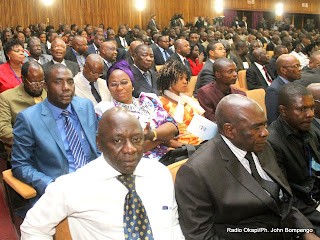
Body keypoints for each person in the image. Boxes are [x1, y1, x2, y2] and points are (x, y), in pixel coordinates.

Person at [20, 107, 185, 239]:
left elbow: (172, 226)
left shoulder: (160, 175)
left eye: (136, 139)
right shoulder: (74, 185)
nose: (130, 149)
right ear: (99, 143)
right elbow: (33, 228)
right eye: (117, 141)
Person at [175, 94, 318, 240]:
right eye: (256, 127)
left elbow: (282, 199)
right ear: (229, 130)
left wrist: (306, 231)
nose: (265, 132)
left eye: (265, 124)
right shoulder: (196, 172)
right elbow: (201, 236)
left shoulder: (262, 145)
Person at [11, 64, 99, 210]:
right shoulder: (28, 119)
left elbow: (98, 145)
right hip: (60, 189)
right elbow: (20, 165)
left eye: (70, 82)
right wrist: (49, 185)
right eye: (58, 82)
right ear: (45, 86)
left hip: (94, 181)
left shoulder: (86, 106)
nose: (66, 87)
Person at [95, 60, 178, 160]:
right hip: (137, 164)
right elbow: (131, 148)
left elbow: (173, 128)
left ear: (132, 84)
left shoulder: (149, 99)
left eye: (124, 82)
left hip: (169, 156)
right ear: (108, 88)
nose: (119, 88)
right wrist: (162, 138)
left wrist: (152, 134)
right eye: (113, 84)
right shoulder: (107, 110)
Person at [267, 83, 320, 233]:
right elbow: (284, 198)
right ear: (283, 111)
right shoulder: (272, 143)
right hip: (299, 210)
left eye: (312, 108)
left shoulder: (309, 130)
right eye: (302, 109)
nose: (310, 114)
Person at [157, 61, 205, 147]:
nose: (185, 82)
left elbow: (204, 124)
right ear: (169, 80)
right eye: (181, 78)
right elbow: (165, 139)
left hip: (203, 142)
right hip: (184, 147)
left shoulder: (190, 100)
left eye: (186, 78)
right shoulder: (160, 104)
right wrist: (188, 149)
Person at [0, 61, 47, 147]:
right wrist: (29, 140)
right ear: (23, 79)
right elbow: (3, 129)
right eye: (34, 83)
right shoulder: (7, 98)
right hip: (24, 148)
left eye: (41, 82)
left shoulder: (49, 94)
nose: (39, 86)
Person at [265, 54, 302, 125]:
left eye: (299, 66)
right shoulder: (274, 90)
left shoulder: (299, 83)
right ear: (283, 70)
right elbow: (273, 119)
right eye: (295, 66)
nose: (300, 69)